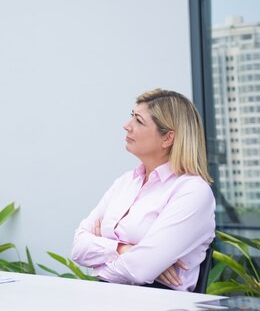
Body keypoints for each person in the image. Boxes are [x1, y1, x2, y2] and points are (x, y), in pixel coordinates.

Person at [71, 88, 215, 291]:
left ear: (168, 139)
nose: (126, 126)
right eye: (132, 117)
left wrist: (101, 255)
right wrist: (125, 249)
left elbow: (140, 270)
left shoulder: (193, 192)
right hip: (108, 298)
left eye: (138, 121)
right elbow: (78, 247)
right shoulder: (125, 182)